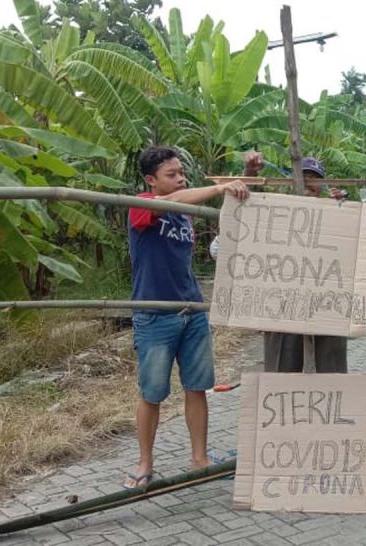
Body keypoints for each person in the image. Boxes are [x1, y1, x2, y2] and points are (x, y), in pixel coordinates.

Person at [126, 145, 249, 489]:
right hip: (155, 314)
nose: (180, 178)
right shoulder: (140, 204)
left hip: (192, 310)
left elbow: (231, 202)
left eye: (181, 173)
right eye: (171, 174)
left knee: (197, 387)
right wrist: (219, 188)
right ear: (150, 181)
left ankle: (200, 459)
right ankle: (144, 462)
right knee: (152, 393)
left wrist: (243, 179)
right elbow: (182, 200)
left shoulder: (184, 213)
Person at [241, 151, 348, 373]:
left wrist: (343, 208)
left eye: (314, 178)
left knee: (331, 368)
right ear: (291, 181)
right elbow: (244, 206)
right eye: (303, 176)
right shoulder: (275, 211)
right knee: (282, 368)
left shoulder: (334, 210)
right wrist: (249, 172)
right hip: (281, 303)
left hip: (326, 301)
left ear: (323, 184)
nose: (307, 183)